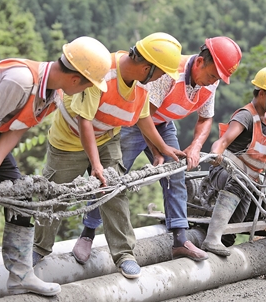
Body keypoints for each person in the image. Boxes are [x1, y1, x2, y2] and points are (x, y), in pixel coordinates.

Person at [0, 36, 112, 302]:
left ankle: (20, 276)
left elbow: (17, 129)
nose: (84, 90)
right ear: (75, 79)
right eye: (87, 85)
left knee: (22, 198)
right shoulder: (21, 80)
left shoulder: (52, 95)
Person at [70, 36, 243, 263]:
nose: (212, 82)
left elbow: (205, 118)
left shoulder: (212, 80)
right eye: (211, 76)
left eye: (217, 79)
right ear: (200, 62)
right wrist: (158, 149)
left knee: (175, 174)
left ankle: (180, 239)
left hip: (163, 123)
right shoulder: (172, 75)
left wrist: (195, 146)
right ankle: (88, 233)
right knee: (112, 176)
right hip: (134, 120)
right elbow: (144, 115)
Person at [32, 32, 186, 279]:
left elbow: (144, 117)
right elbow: (84, 122)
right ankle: (39, 249)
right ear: (147, 67)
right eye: (160, 73)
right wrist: (95, 165)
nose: (161, 79)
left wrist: (161, 148)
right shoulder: (103, 71)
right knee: (55, 193)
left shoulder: (143, 86)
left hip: (106, 138)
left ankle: (124, 254)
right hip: (69, 138)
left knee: (114, 190)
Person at [201, 67, 266, 256]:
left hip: (250, 181)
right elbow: (223, 141)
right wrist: (215, 154)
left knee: (237, 222)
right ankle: (211, 239)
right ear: (261, 94)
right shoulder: (246, 116)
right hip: (226, 174)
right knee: (238, 182)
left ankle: (219, 252)